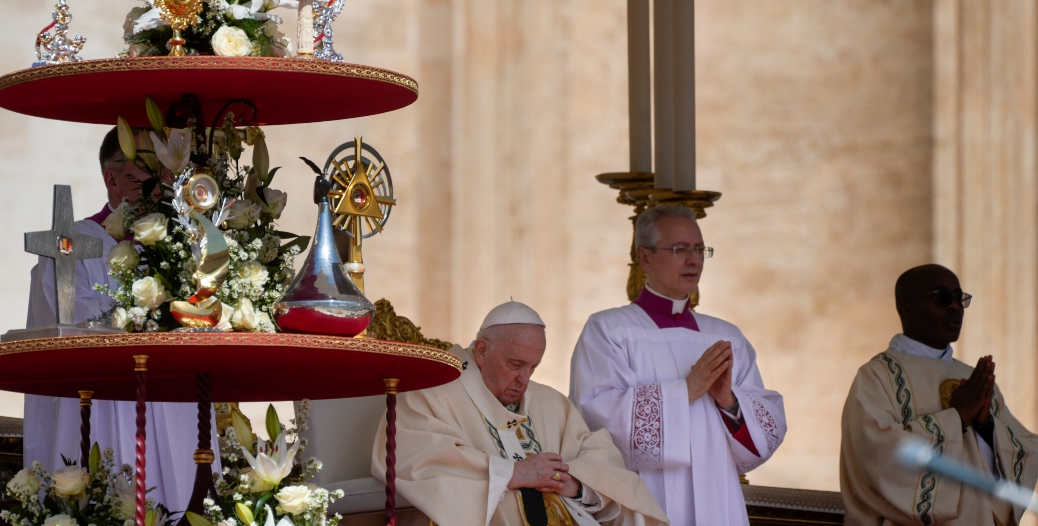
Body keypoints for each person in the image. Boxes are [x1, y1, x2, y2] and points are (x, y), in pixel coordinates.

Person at [23, 127, 217, 512]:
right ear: (112, 179)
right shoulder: (71, 243)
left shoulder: (180, 243)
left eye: (164, 168)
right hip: (102, 396)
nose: (162, 178)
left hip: (172, 397)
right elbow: (69, 322)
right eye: (148, 167)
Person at [569, 205, 786, 526]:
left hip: (718, 495)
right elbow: (597, 420)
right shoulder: (609, 331)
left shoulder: (727, 337)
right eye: (680, 249)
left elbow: (765, 435)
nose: (693, 260)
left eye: (699, 249)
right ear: (644, 258)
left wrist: (729, 402)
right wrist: (684, 391)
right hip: (645, 496)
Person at [371, 301, 668, 526]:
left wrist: (576, 484)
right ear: (482, 351)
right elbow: (415, 459)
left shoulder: (551, 403)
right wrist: (511, 473)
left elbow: (602, 460)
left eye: (533, 367)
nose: (525, 380)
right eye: (515, 365)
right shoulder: (431, 393)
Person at [840, 264, 1038, 525]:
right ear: (907, 311)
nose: (955, 306)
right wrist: (956, 417)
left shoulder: (973, 379)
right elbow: (877, 457)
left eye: (959, 297)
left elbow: (1024, 450)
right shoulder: (877, 377)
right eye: (941, 297)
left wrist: (986, 427)